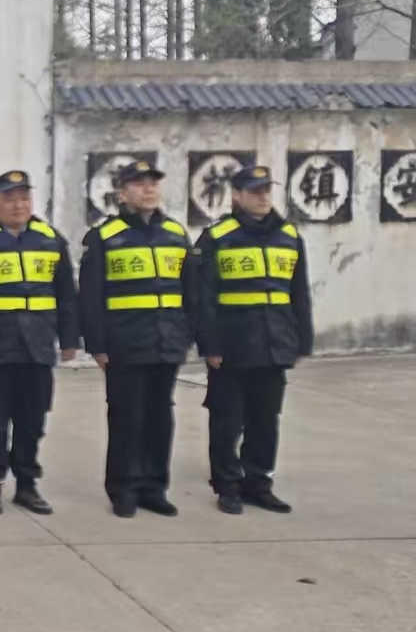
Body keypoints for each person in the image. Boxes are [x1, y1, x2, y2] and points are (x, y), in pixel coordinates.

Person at [0, 170, 80, 516]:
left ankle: (27, 484)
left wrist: (69, 339)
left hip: (37, 346)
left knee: (32, 420)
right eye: (9, 199)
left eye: (24, 198)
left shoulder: (51, 240)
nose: (18, 205)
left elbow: (66, 294)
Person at [186, 165, 313, 515]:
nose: (262, 197)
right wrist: (209, 345)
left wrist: (302, 339)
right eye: (255, 191)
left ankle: (258, 483)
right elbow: (202, 298)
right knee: (227, 420)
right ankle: (227, 485)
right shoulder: (217, 237)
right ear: (237, 196)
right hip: (232, 345)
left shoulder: (289, 235)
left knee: (265, 420)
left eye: (266, 191)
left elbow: (299, 293)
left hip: (274, 343)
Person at [77, 158, 191, 518]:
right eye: (139, 184)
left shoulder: (175, 233)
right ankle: (123, 489)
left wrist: (187, 335)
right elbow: (91, 296)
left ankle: (154, 488)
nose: (148, 189)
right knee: (127, 418)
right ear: (123, 194)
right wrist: (97, 345)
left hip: (166, 341)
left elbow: (192, 290)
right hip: (125, 343)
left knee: (160, 417)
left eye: (153, 183)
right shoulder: (104, 237)